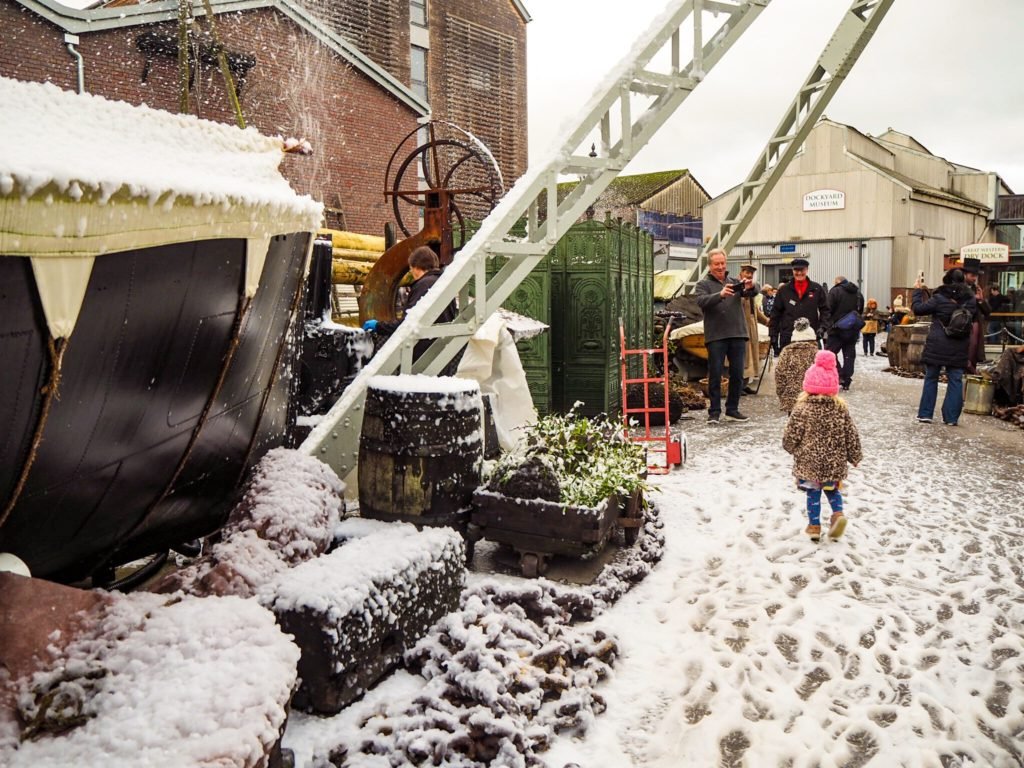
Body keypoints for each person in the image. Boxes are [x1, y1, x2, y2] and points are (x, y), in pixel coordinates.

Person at [782, 350, 862, 542]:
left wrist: (790, 447)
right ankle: (838, 514)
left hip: (809, 463)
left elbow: (791, 435)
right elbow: (851, 434)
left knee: (813, 494)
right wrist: (855, 456)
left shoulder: (802, 408)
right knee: (832, 490)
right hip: (834, 463)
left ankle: (815, 526)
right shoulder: (840, 408)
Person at [362, 246, 457, 361]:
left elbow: (408, 324)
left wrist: (378, 326)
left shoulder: (423, 285)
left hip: (421, 354)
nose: (411, 273)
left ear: (417, 267)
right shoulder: (444, 283)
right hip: (441, 352)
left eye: (411, 268)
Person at [911, 268, 977, 426]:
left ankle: (926, 414)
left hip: (937, 344)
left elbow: (918, 309)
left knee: (931, 378)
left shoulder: (939, 297)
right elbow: (972, 318)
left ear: (946, 280)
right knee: (955, 380)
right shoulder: (970, 299)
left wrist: (917, 291)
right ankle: (951, 418)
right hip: (959, 344)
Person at [694, 248, 753, 422]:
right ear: (710, 266)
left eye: (722, 263)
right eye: (716, 264)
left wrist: (750, 286)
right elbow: (701, 301)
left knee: (737, 373)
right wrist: (719, 295)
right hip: (716, 336)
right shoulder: (702, 285)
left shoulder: (735, 282)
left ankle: (732, 409)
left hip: (737, 333)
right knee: (715, 373)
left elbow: (753, 292)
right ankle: (714, 411)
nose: (720, 267)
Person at [769, 258, 830, 350]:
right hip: (789, 336)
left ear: (807, 270)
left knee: (811, 363)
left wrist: (823, 327)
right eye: (796, 270)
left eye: (802, 270)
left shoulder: (816, 289)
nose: (799, 273)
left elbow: (825, 310)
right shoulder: (784, 290)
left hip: (810, 335)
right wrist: (773, 334)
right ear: (792, 270)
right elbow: (776, 313)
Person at [825, 275, 865, 391]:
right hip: (852, 330)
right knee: (849, 355)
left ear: (838, 282)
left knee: (830, 353)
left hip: (837, 329)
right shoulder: (858, 293)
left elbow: (828, 309)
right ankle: (847, 379)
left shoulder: (835, 291)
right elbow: (860, 310)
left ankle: (840, 374)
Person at [775, 317, 819, 413]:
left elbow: (779, 375)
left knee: (794, 425)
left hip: (792, 398)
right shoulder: (817, 354)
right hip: (813, 399)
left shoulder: (786, 352)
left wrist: (782, 395)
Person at [738, 264, 769, 394]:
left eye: (751, 274)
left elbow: (755, 310)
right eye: (746, 273)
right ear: (741, 274)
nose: (749, 276)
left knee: (751, 356)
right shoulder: (736, 288)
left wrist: (767, 321)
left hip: (751, 325)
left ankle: (744, 384)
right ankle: (738, 386)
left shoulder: (752, 291)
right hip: (741, 327)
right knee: (743, 357)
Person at [961, 257, 989, 373]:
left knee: (972, 358)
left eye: (976, 275)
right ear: (965, 274)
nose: (974, 278)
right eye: (972, 275)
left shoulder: (976, 289)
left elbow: (988, 312)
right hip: (962, 329)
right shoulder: (958, 288)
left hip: (975, 328)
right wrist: (973, 298)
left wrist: (981, 300)